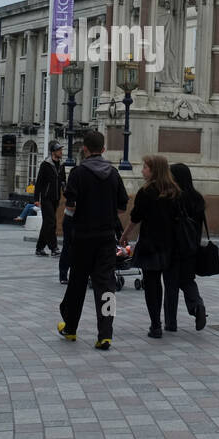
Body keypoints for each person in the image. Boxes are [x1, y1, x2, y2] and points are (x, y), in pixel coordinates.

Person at [56, 130, 127, 350]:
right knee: (106, 285)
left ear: (84, 149)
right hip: (106, 236)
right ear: (103, 149)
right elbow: (122, 205)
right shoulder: (113, 173)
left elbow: (70, 203)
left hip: (84, 236)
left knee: (77, 283)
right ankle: (105, 334)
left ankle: (70, 327)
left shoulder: (79, 173)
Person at [123, 155, 183, 339]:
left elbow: (135, 217)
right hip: (170, 243)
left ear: (154, 170)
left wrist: (125, 235)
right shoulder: (175, 191)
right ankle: (170, 321)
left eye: (145, 168)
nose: (142, 170)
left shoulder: (146, 192)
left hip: (151, 243)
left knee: (152, 283)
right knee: (169, 283)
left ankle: (156, 324)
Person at [168, 163, 208, 330]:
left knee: (171, 285)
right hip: (192, 247)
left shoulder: (174, 197)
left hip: (174, 246)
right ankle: (197, 305)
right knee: (188, 280)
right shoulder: (197, 197)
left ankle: (171, 323)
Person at [34, 142, 65, 257]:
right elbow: (39, 183)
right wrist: (36, 198)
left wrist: (65, 188)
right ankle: (54, 248)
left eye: (61, 150)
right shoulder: (45, 165)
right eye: (59, 150)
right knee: (51, 222)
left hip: (56, 198)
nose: (61, 152)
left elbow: (63, 180)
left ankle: (39, 248)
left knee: (47, 223)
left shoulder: (61, 165)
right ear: (53, 152)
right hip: (46, 197)